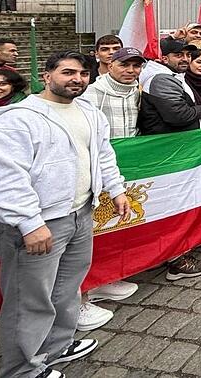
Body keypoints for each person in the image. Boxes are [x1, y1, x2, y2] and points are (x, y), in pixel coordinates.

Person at [0, 50, 129, 378]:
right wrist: (29, 223)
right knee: (28, 300)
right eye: (68, 72)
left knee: (66, 288)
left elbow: (103, 154)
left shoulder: (89, 112)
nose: (77, 79)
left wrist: (116, 189)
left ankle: (57, 347)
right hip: (39, 223)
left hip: (80, 214)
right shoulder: (17, 118)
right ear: (47, 76)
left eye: (83, 74)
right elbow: (5, 176)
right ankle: (23, 370)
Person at [77, 46, 147, 331]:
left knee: (116, 226)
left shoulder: (137, 91)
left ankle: (106, 278)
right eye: (124, 65)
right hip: (97, 169)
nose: (130, 71)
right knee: (92, 231)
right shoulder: (91, 94)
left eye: (136, 66)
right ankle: (83, 295)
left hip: (126, 166)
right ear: (110, 65)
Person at [137, 38, 201, 280]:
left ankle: (170, 254)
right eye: (178, 55)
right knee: (173, 205)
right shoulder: (160, 79)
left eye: (187, 55)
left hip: (176, 150)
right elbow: (178, 115)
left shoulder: (171, 76)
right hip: (169, 152)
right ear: (164, 57)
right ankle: (177, 260)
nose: (184, 59)